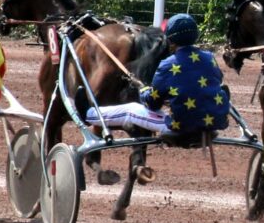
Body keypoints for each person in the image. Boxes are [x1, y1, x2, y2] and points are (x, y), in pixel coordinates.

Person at [86, 14, 231, 137]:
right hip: (215, 123)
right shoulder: (210, 58)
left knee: (130, 110)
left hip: (180, 128)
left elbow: (152, 103)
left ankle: (89, 113)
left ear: (170, 39)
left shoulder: (168, 64)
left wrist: (143, 91)